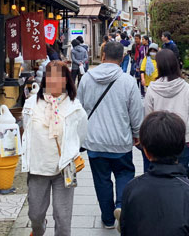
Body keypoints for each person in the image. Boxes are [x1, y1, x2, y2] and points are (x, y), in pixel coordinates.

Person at [77, 41, 144, 229]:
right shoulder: (128, 81)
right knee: (124, 173)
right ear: (122, 58)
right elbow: (136, 113)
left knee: (102, 180)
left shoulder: (87, 79)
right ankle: (121, 206)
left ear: (103, 55)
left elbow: (79, 110)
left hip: (95, 143)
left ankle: (107, 218)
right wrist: (137, 134)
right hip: (121, 141)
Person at [20, 61, 88, 236]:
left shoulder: (75, 108)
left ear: (66, 80)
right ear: (45, 80)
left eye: (60, 77)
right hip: (38, 167)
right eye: (51, 77)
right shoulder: (31, 105)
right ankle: (39, 227)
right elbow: (27, 131)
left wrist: (70, 152)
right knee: (35, 214)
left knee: (63, 218)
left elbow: (81, 136)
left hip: (64, 168)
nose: (55, 82)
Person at [143, 49, 189, 173]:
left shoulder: (152, 88)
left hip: (158, 140)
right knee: (181, 177)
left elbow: (147, 117)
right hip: (183, 139)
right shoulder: (185, 87)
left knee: (158, 177)